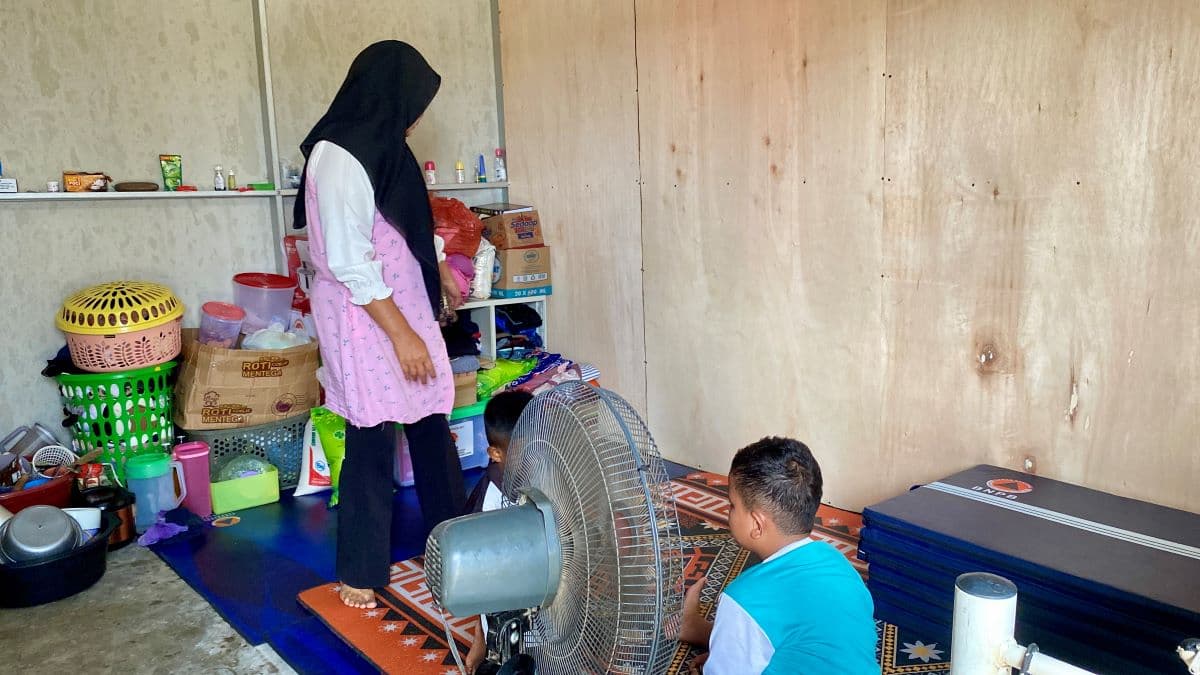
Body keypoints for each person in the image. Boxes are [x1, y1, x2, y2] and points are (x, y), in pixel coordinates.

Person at [294, 41, 468, 610]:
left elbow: (402, 222)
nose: (418, 117)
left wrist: (437, 268)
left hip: (400, 303)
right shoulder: (341, 154)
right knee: (371, 436)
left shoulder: (385, 146)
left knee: (428, 420)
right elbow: (349, 259)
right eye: (415, 102)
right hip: (365, 316)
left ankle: (460, 548)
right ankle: (362, 572)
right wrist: (404, 336)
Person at [680, 438, 878, 674]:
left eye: (732, 505)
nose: (727, 511)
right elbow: (820, 645)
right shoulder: (840, 565)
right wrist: (721, 648)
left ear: (756, 524)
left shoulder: (743, 599)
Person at [464, 390, 535, 672]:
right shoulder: (489, 504)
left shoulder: (550, 474)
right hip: (508, 608)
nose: (535, 456)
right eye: (525, 451)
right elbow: (480, 579)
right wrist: (479, 639)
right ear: (496, 453)